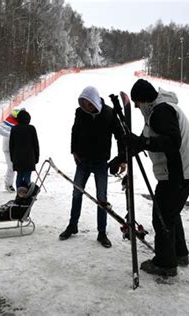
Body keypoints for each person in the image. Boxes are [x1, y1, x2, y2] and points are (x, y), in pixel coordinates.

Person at [124, 79, 189, 277]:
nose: (135, 106)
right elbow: (145, 141)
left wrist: (144, 141)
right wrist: (123, 156)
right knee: (170, 213)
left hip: (177, 173)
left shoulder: (161, 111)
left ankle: (165, 264)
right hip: (183, 171)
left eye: (136, 102)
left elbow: (171, 141)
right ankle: (179, 254)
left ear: (143, 100)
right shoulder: (160, 110)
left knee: (161, 218)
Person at [59, 86, 126, 248]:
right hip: (83, 161)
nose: (86, 107)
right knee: (77, 193)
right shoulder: (80, 113)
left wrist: (122, 159)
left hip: (101, 162)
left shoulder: (109, 113)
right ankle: (72, 225)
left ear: (95, 100)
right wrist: (74, 150)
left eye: (88, 103)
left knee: (101, 198)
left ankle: (102, 233)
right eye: (83, 104)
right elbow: (75, 130)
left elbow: (120, 136)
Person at [9, 109, 40, 189]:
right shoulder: (31, 129)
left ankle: (19, 194)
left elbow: (11, 145)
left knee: (19, 176)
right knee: (27, 177)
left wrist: (12, 158)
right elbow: (35, 144)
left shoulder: (14, 129)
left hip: (17, 158)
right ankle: (26, 195)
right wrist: (36, 157)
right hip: (29, 158)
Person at [0, 109, 21, 192]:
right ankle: (8, 185)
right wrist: (9, 134)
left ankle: (21, 185)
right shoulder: (8, 121)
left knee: (19, 167)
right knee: (11, 167)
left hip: (17, 148)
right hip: (7, 149)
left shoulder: (20, 123)